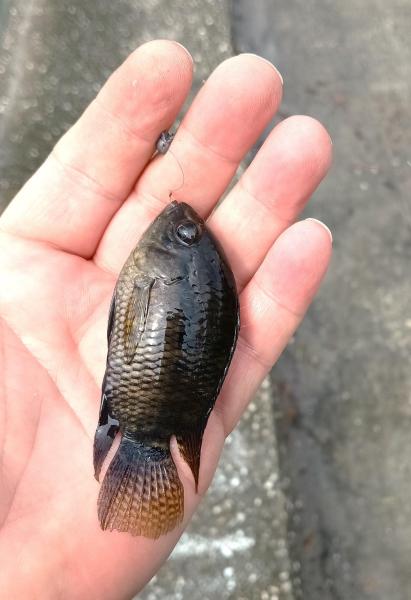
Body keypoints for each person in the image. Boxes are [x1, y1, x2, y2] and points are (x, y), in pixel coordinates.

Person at [0, 40, 332, 598]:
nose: (184, 217)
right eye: (188, 233)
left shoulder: (157, 268)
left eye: (187, 234)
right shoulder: (169, 269)